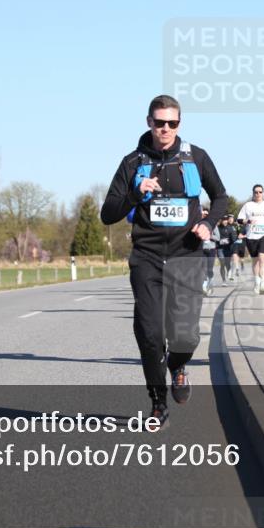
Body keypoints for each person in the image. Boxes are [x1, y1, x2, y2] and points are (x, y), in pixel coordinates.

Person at [101, 95, 228, 430]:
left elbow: (221, 197)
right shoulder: (132, 163)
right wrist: (135, 192)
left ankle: (179, 365)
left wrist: (207, 224)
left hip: (187, 255)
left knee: (186, 337)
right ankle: (158, 402)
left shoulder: (196, 158)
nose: (165, 129)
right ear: (149, 122)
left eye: (172, 123)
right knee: (150, 333)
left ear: (179, 124)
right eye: (160, 123)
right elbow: (107, 214)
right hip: (147, 258)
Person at [238, 184, 264, 294]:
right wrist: (248, 221)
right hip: (251, 236)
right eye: (256, 192)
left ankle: (263, 283)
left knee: (262, 259)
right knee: (255, 261)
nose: (258, 194)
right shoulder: (248, 205)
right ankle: (257, 281)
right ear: (253, 193)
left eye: (260, 192)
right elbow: (239, 219)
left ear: (263, 193)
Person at [200, 207, 218, 296]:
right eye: (203, 214)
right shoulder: (198, 224)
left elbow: (218, 237)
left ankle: (210, 283)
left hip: (211, 249)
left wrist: (210, 236)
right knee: (203, 268)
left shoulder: (213, 225)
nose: (204, 215)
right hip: (202, 250)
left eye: (206, 214)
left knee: (209, 269)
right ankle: (204, 287)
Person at [216, 214, 236, 285]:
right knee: (222, 263)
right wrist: (218, 241)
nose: (224, 222)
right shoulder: (217, 228)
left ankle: (229, 272)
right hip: (220, 248)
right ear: (221, 221)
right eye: (223, 220)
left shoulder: (231, 228)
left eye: (226, 220)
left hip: (228, 248)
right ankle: (223, 281)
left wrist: (232, 240)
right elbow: (214, 237)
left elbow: (234, 239)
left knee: (227, 263)